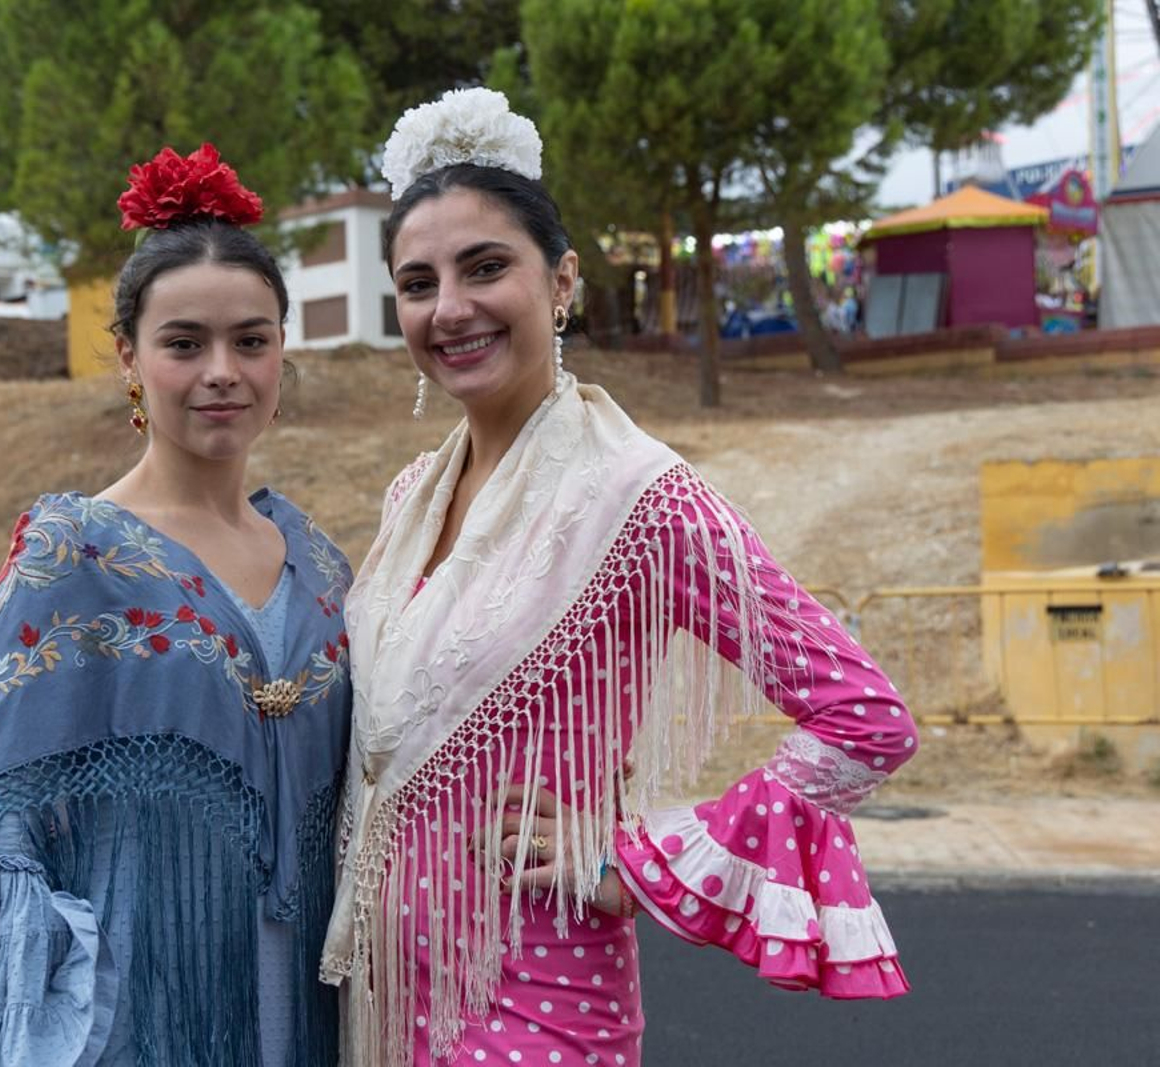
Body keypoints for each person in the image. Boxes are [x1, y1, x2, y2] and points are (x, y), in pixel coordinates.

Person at [320, 89, 917, 1067]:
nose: (450, 307)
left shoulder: (639, 499)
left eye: (484, 268)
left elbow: (865, 717)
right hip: (383, 1008)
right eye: (418, 281)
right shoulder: (408, 499)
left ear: (560, 283)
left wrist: (633, 859)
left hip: (536, 1013)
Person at [0, 144, 352, 1066]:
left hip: (309, 1011)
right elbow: (1, 833)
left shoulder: (321, 563)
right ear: (130, 360)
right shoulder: (70, 555)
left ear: (281, 352)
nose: (222, 370)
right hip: (138, 1013)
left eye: (251, 340)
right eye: (185, 343)